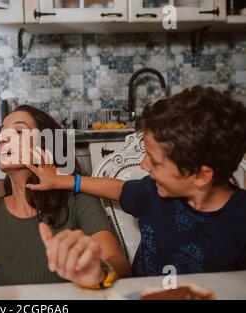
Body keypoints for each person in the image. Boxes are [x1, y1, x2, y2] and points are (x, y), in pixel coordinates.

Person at [26, 86, 246, 276]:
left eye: (156, 162)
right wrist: (62, 180)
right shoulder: (153, 193)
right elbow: (119, 188)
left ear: (201, 175)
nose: (143, 165)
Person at [0, 105, 132, 289]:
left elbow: (119, 263)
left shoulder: (80, 202)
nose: (4, 138)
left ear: (46, 147)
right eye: (2, 132)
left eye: (18, 131)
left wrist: (98, 270)